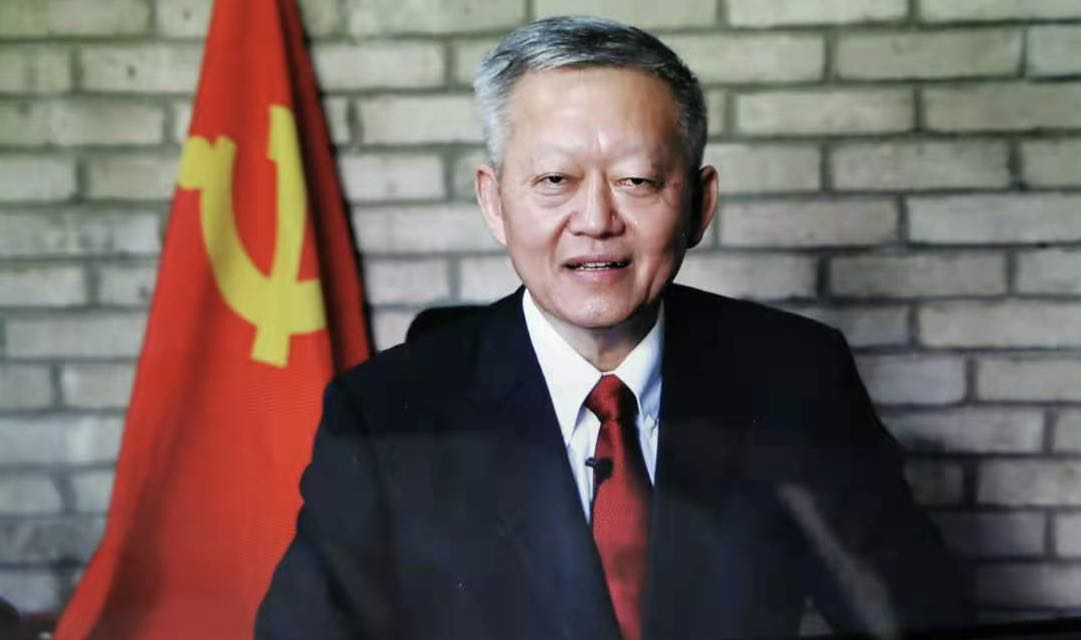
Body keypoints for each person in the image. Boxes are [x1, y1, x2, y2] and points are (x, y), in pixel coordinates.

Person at [256, 16, 972, 640]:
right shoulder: (384, 414)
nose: (596, 220)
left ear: (698, 205)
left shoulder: (794, 380)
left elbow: (915, 622)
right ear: (494, 202)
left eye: (637, 181)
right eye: (554, 181)